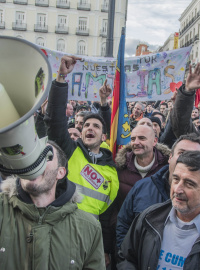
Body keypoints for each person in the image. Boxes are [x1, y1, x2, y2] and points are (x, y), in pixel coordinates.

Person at [117, 151, 200, 269]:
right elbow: (127, 258)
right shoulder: (148, 218)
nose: (177, 189)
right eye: (176, 179)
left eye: (189, 184)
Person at [44, 55, 119, 265]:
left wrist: (103, 248)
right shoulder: (70, 151)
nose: (89, 128)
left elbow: (106, 216)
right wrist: (60, 79)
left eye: (96, 126)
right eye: (86, 125)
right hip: (59, 230)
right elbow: (54, 120)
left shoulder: (111, 170)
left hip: (90, 239)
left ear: (103, 137)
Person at [116, 134, 200, 248]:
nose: (187, 160)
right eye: (182, 153)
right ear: (170, 157)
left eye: (194, 156)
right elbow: (123, 226)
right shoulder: (142, 187)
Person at [0, 141, 105, 269]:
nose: (35, 163)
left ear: (60, 172)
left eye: (45, 157)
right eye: (31, 157)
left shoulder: (89, 228)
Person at [115, 124, 170, 207]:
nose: (136, 143)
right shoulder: (121, 166)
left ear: (154, 141)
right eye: (133, 139)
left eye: (142, 138)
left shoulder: (167, 168)